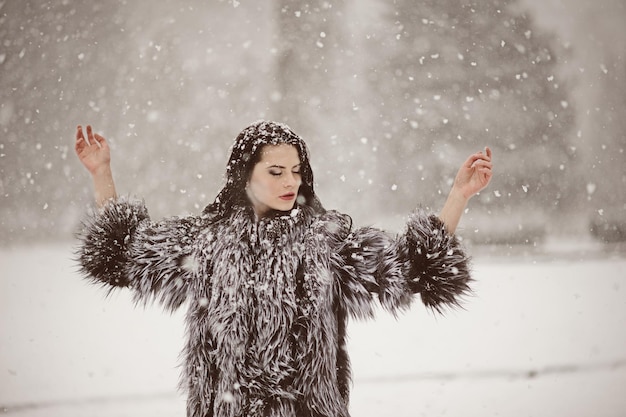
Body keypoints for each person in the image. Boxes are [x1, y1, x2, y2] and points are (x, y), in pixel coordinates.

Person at [75, 120, 492, 417]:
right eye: (275, 171)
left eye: (296, 171)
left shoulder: (328, 241)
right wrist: (102, 173)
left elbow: (416, 267)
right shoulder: (205, 240)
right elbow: (122, 253)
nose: (289, 181)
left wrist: (458, 196)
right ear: (244, 176)